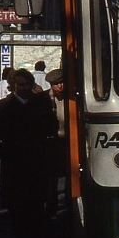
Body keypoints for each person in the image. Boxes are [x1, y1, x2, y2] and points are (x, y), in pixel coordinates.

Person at [0, 69, 57, 238]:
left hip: (35, 156)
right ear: (13, 86)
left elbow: (51, 125)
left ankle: (35, 231)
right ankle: (19, 230)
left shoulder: (40, 103)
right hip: (13, 157)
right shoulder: (3, 106)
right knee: (16, 199)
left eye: (27, 84)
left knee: (36, 198)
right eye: (20, 85)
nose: (24, 88)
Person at [43, 69, 68, 217]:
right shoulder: (43, 99)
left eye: (62, 83)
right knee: (51, 178)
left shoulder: (73, 98)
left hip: (68, 141)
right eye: (56, 84)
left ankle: (69, 204)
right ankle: (51, 207)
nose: (60, 87)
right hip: (51, 142)